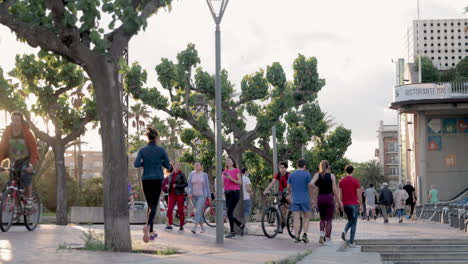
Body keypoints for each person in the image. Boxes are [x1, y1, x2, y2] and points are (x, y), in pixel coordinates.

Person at [134, 127, 171, 243]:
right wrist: (161, 163)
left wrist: (145, 162)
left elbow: (136, 164)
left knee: (150, 205)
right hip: (157, 179)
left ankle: (150, 231)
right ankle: (148, 227)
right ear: (156, 138)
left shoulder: (142, 150)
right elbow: (168, 167)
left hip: (145, 179)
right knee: (154, 205)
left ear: (148, 137)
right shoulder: (161, 150)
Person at [0, 112, 39, 209]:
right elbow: (2, 148)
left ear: (21, 122)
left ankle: (29, 199)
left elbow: (34, 150)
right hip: (14, 158)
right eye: (13, 120)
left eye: (17, 120)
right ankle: (16, 206)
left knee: (25, 175)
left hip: (27, 158)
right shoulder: (7, 132)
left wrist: (31, 165)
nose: (14, 122)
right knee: (13, 180)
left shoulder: (28, 133)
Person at [311, 160, 342, 244]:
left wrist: (317, 187)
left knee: (322, 219)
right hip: (329, 198)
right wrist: (339, 201)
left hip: (320, 198)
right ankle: (327, 238)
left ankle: (321, 235)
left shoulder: (317, 175)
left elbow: (311, 184)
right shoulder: (332, 176)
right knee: (329, 220)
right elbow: (335, 189)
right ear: (328, 166)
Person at [287, 159, 313, 243]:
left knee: (296, 219)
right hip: (305, 199)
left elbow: (288, 187)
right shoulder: (307, 174)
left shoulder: (291, 175)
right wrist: (311, 197)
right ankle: (305, 235)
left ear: (297, 165)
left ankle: (297, 236)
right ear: (304, 166)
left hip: (295, 199)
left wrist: (291, 194)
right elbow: (309, 187)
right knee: (306, 217)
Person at [263, 161, 290, 232]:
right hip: (281, 193)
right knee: (279, 210)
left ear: (286, 168)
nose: (281, 169)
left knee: (286, 207)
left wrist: (288, 191)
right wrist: (266, 190)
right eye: (280, 168)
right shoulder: (278, 175)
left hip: (289, 192)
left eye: (283, 168)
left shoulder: (289, 175)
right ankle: (280, 227)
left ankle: (291, 216)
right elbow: (272, 183)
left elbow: (290, 185)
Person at [339, 165, 362, 248]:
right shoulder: (356, 181)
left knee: (350, 221)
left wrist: (340, 204)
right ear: (353, 171)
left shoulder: (341, 182)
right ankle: (351, 242)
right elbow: (359, 195)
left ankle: (344, 231)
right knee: (354, 223)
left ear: (346, 171)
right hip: (354, 205)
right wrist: (361, 205)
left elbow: (340, 195)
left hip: (345, 205)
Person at [223, 157, 245, 239]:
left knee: (229, 213)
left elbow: (240, 182)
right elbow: (223, 183)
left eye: (229, 160)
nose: (227, 162)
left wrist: (230, 178)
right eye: (226, 160)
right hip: (227, 193)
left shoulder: (236, 170)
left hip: (235, 193)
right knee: (229, 214)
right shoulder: (224, 172)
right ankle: (240, 226)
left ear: (233, 162)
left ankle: (233, 231)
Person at [187, 161, 210, 234]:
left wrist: (209, 196)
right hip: (193, 196)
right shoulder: (191, 174)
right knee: (198, 212)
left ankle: (195, 227)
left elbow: (207, 186)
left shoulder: (204, 175)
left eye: (198, 165)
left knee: (197, 210)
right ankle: (202, 228)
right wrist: (189, 193)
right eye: (195, 165)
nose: (196, 166)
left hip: (202, 195)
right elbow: (189, 185)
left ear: (201, 166)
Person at [164, 161, 187, 232]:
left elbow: (186, 184)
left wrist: (177, 186)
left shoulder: (182, 174)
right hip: (171, 195)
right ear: (173, 166)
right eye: (176, 165)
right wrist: (168, 186)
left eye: (178, 165)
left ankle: (181, 226)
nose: (177, 167)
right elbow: (170, 184)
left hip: (179, 194)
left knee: (180, 210)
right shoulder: (170, 175)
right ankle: (170, 225)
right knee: (170, 210)